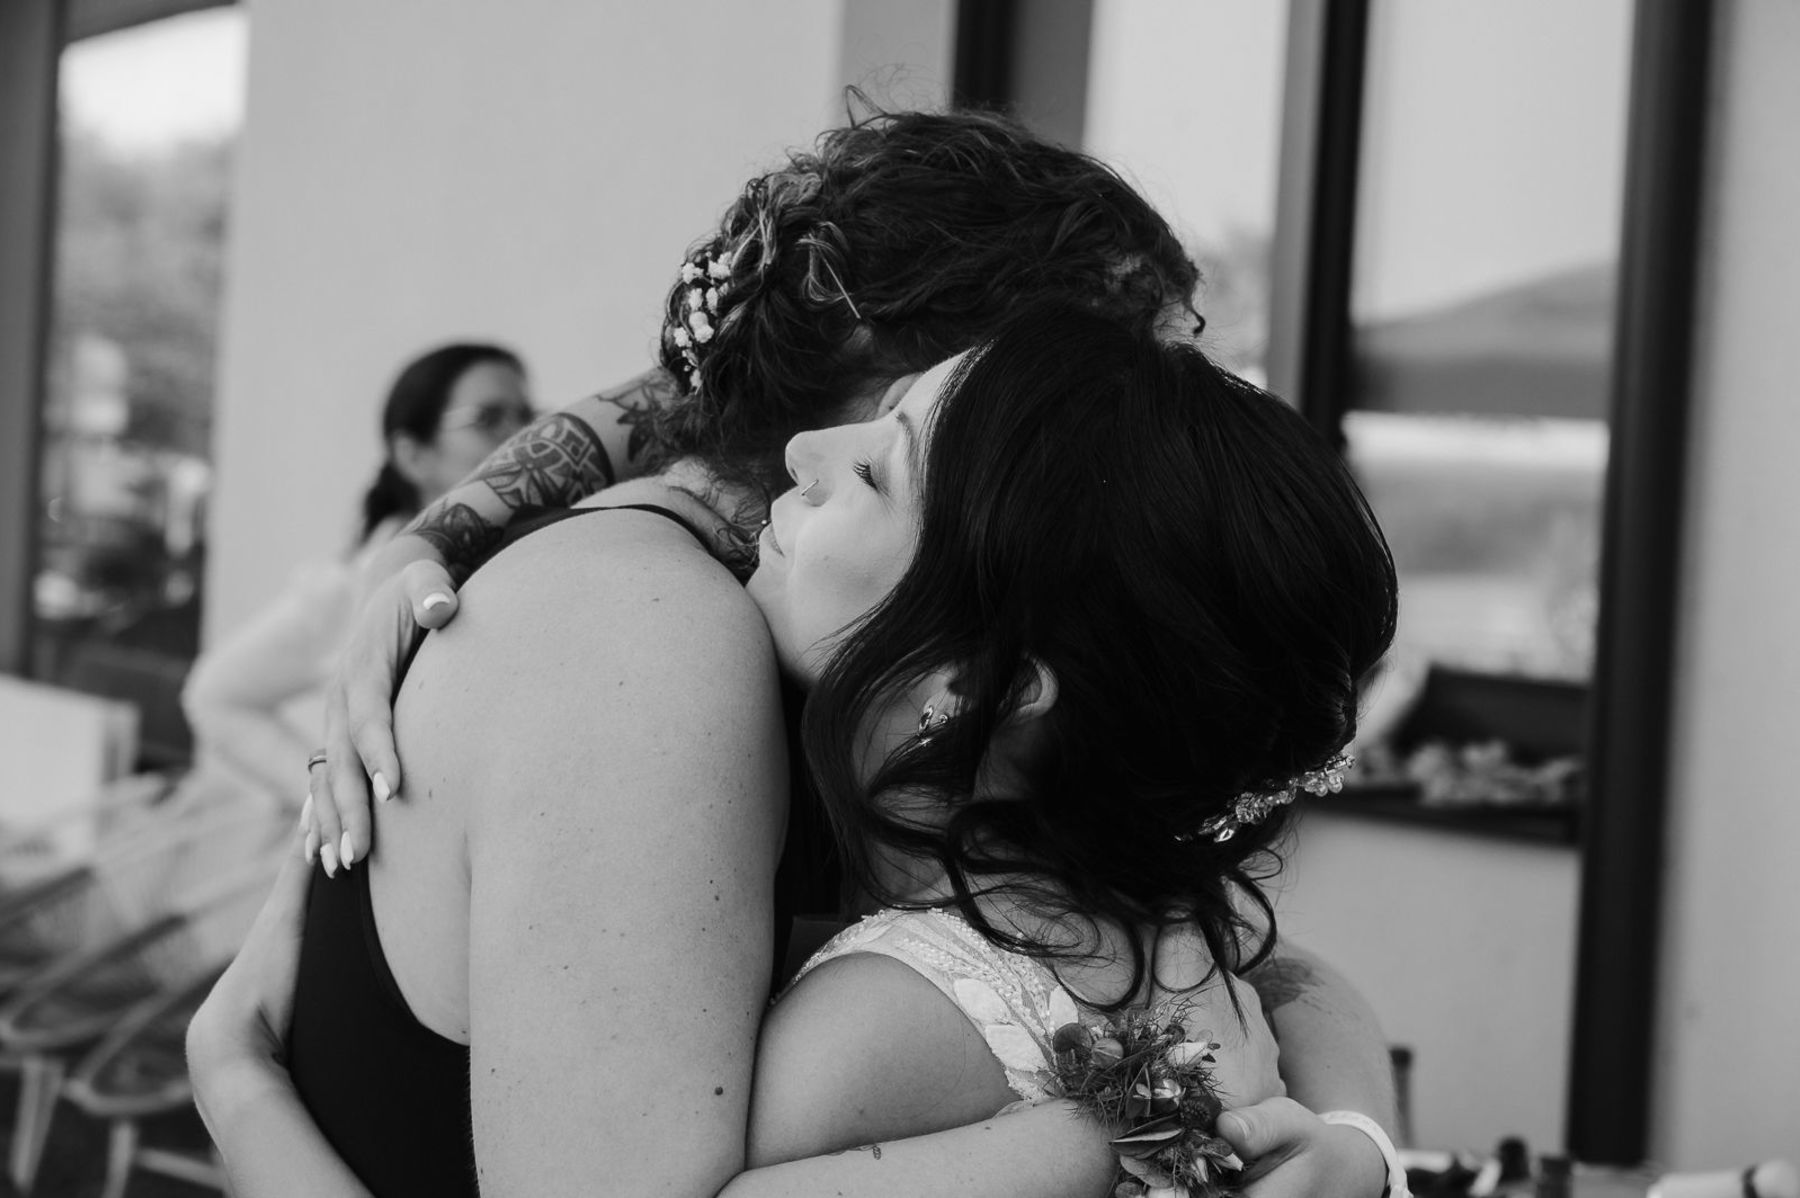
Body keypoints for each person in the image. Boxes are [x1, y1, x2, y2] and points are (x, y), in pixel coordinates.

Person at [194, 109, 1401, 1196]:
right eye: (1081, 399)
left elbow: (1208, 962)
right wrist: (1133, 1129)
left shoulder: (846, 649)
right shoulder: (647, 630)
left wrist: (1349, 1136)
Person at [181, 343, 533, 805]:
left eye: (527, 415)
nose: (522, 437)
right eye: (489, 418)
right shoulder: (355, 585)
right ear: (413, 455)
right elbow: (216, 697)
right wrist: (328, 794)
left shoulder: (525, 559)